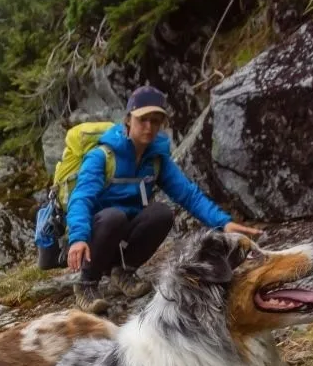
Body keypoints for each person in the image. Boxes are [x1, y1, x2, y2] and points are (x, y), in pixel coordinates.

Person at [51, 85, 261, 313]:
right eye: (143, 120)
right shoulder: (102, 156)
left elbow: (188, 194)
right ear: (129, 119)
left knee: (162, 213)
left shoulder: (156, 160)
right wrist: (79, 238)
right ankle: (87, 284)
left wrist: (224, 223)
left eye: (156, 120)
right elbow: (81, 198)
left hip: (123, 236)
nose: (149, 127)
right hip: (96, 237)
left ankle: (123, 271)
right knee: (114, 217)